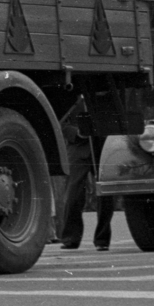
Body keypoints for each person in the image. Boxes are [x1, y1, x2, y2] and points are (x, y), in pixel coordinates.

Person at [57, 98, 114, 250]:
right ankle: (71, 238)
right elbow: (60, 122)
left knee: (105, 193)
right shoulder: (69, 97)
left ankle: (102, 239)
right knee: (73, 192)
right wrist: (77, 133)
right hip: (77, 148)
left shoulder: (102, 94)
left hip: (102, 146)